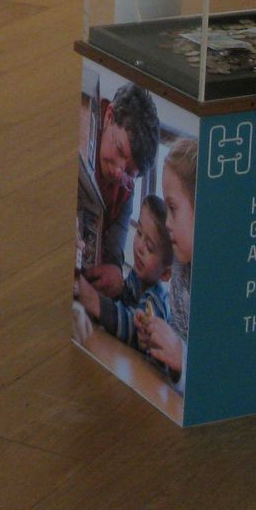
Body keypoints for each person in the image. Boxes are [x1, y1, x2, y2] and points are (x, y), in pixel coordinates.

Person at [75, 81, 160, 298]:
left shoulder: (125, 189)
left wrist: (114, 269)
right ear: (109, 117)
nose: (117, 171)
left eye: (129, 172)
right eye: (120, 150)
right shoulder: (80, 123)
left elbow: (115, 248)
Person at [77, 195, 172, 356]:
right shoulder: (135, 279)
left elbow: (136, 330)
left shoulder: (157, 302)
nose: (140, 246)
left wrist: (95, 301)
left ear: (165, 273)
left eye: (149, 247)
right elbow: (122, 303)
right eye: (139, 233)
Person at [136, 137, 196, 384]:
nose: (167, 222)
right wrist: (159, 343)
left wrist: (180, 357)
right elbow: (180, 345)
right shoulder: (181, 268)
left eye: (173, 208)